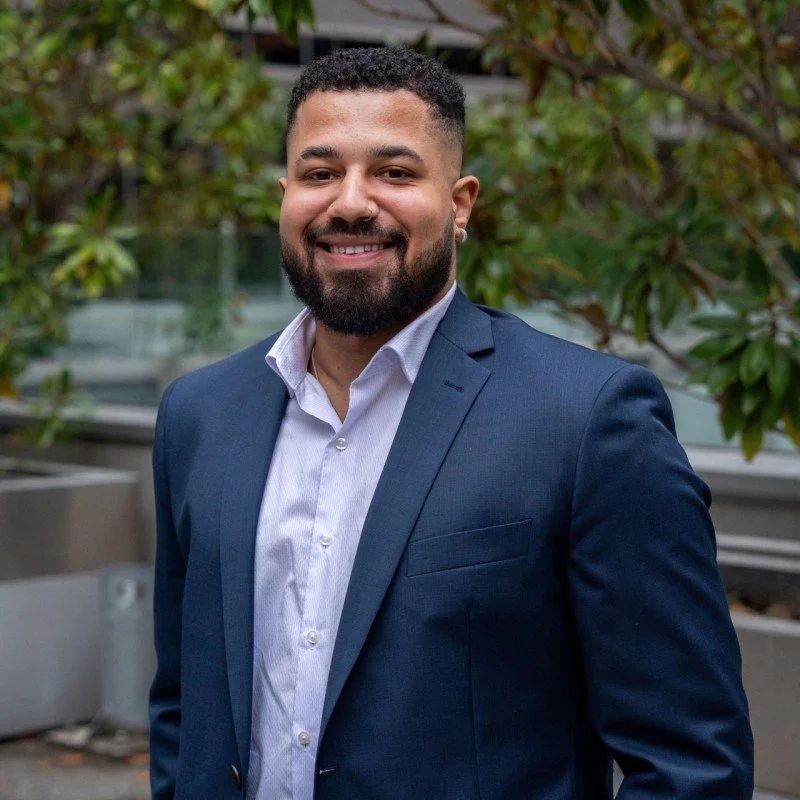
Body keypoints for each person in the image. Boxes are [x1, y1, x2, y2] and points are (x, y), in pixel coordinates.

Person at [149, 47, 753, 799]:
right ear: (285, 195)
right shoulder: (198, 414)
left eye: (395, 173)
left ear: (461, 203)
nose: (350, 202)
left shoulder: (587, 419)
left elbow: (692, 762)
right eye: (319, 172)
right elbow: (182, 700)